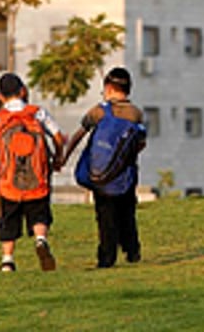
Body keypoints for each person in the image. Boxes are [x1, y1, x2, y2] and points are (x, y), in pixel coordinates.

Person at [0, 72, 65, 272]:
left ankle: (7, 260)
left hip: (8, 181)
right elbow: (58, 136)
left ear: (0, 96)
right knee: (39, 213)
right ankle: (40, 239)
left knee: (8, 218)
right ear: (23, 91)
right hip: (37, 178)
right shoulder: (37, 113)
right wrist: (58, 157)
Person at [62, 67, 146, 268]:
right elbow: (141, 143)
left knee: (105, 215)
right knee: (127, 212)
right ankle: (132, 249)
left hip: (101, 175)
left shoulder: (98, 111)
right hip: (125, 173)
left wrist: (64, 157)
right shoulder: (136, 114)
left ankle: (107, 257)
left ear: (108, 88)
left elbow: (78, 135)